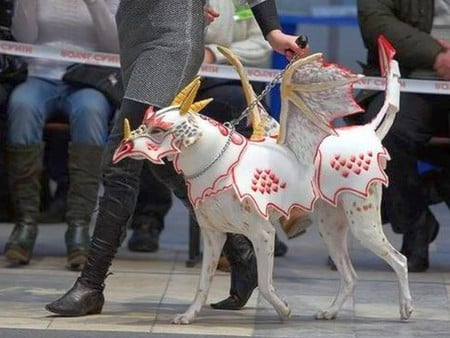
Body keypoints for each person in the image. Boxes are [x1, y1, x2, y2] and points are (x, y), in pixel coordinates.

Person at [46, 0, 307, 317]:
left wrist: (273, 31)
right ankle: (240, 251)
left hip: (171, 42)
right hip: (134, 32)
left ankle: (90, 285)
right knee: (165, 162)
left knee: (122, 156)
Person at [127, 0, 288, 260]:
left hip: (225, 76)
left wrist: (213, 53)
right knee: (152, 121)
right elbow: (144, 29)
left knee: (242, 109)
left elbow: (260, 48)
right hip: (170, 72)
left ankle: (256, 219)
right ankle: (148, 218)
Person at [3, 0, 120, 269]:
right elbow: (24, 36)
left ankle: (79, 227)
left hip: (88, 78)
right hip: (41, 75)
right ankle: (25, 224)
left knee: (91, 112)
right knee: (21, 105)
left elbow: (113, 44)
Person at [353, 0, 450, 272]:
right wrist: (436, 55)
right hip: (410, 74)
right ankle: (415, 223)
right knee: (388, 133)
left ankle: (432, 190)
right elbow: (376, 22)